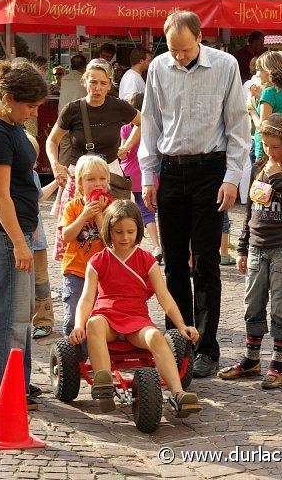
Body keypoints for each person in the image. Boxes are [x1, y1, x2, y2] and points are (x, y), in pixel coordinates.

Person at [139, 10, 250, 378]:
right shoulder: (158, 67)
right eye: (173, 50)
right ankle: (176, 341)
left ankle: (205, 347)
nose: (179, 57)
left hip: (210, 170)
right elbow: (150, 121)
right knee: (172, 262)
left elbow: (237, 123)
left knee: (205, 263)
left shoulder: (225, 65)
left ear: (200, 38)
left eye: (185, 50)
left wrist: (233, 177)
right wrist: (149, 175)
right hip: (170, 170)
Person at [68, 200, 202, 416]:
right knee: (94, 324)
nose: (124, 237)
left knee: (156, 336)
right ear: (108, 230)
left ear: (138, 230)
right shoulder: (98, 260)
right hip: (107, 318)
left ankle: (178, 393)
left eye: (130, 231)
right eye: (118, 231)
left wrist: (182, 325)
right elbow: (86, 299)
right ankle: (105, 383)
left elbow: (164, 297)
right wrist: (77, 325)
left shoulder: (146, 259)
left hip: (136, 321)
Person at [0, 60, 49, 409]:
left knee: (22, 313)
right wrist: (19, 241)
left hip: (18, 231)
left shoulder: (11, 125)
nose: (32, 113)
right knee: (8, 314)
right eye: (30, 106)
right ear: (8, 97)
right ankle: (0, 390)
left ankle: (18, 381)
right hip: (4, 235)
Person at [219, 113, 282, 389]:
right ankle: (251, 359)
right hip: (258, 248)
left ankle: (279, 363)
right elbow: (250, 212)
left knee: (281, 308)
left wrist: (279, 179)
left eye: (275, 146)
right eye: (265, 145)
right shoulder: (260, 167)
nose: (269, 152)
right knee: (253, 305)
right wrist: (243, 247)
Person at [46, 58, 141, 261]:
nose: (97, 88)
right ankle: (77, 277)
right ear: (85, 81)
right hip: (79, 178)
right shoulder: (73, 109)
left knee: (116, 229)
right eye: (93, 82)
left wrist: (127, 146)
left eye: (103, 83)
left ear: (110, 84)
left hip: (110, 176)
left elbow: (143, 123)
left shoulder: (118, 106)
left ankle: (114, 272)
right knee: (79, 232)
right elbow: (52, 140)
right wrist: (55, 164)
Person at [59, 155, 112, 337]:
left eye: (102, 179)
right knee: (75, 315)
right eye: (91, 179)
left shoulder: (112, 208)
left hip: (103, 273)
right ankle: (74, 357)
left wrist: (98, 216)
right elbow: (66, 236)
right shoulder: (73, 206)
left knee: (101, 315)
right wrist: (84, 215)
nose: (98, 184)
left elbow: (111, 243)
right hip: (76, 270)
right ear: (80, 183)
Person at [119, 92, 162, 263]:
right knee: (154, 211)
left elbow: (123, 153)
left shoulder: (125, 128)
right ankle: (159, 244)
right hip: (151, 173)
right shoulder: (152, 126)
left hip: (130, 173)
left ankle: (153, 244)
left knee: (141, 211)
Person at [26, 132, 59, 339]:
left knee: (40, 282)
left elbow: (39, 197)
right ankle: (22, 320)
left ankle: (44, 320)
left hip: (37, 241)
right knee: (22, 283)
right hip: (21, 238)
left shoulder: (33, 176)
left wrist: (56, 182)